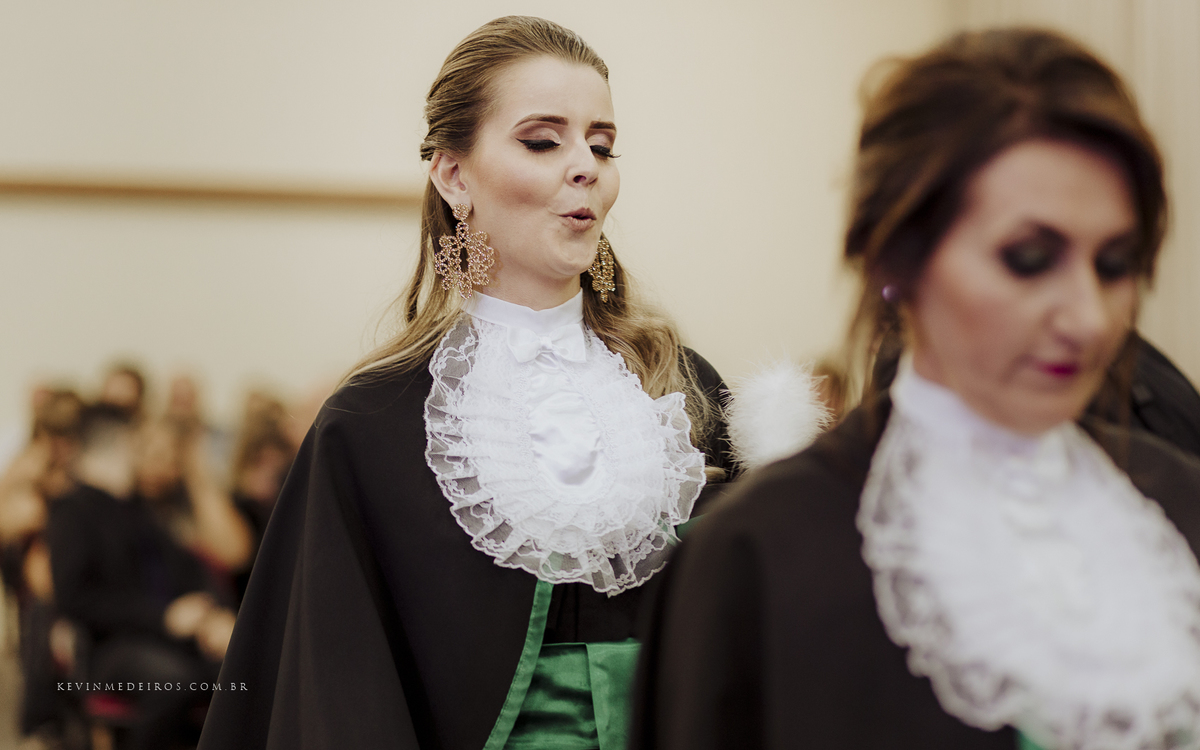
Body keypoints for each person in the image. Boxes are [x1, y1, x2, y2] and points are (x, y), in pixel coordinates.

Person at [632, 28, 1200, 750]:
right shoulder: (759, 555)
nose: (1087, 317)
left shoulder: (1178, 510)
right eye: (1029, 258)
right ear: (896, 255)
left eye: (1116, 263)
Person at [200, 16, 735, 750]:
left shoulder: (685, 394)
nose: (585, 166)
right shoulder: (372, 423)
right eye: (543, 140)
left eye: (603, 145)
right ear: (454, 175)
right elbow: (338, 688)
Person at [46, 404, 236, 750]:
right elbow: (77, 599)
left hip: (160, 640)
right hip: (110, 647)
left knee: (240, 671)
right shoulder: (72, 510)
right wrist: (163, 617)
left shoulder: (135, 508)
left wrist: (212, 616)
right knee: (178, 683)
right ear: (117, 445)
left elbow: (189, 570)